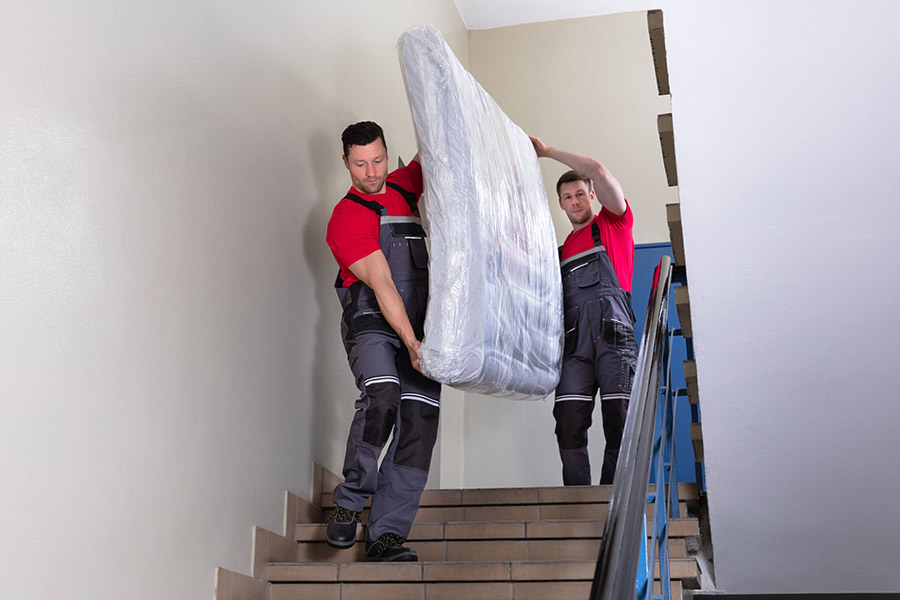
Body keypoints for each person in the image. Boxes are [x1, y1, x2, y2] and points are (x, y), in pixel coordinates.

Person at [324, 121, 441, 561]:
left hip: (420, 324)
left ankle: (386, 535)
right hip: (373, 319)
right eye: (360, 164)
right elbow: (384, 283)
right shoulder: (346, 216)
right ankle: (350, 502)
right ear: (345, 163)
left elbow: (436, 151)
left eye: (378, 160)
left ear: (386, 154)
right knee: (383, 394)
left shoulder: (404, 186)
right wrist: (411, 344)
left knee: (419, 424)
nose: (372, 172)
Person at [530, 135, 637, 486]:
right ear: (560, 204)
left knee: (619, 420)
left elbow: (599, 170)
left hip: (613, 340)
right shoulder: (558, 253)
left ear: (592, 195)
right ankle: (577, 497)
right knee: (568, 422)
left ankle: (609, 500)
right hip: (575, 349)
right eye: (567, 197)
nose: (574, 201)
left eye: (580, 193)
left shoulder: (612, 224)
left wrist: (547, 153)